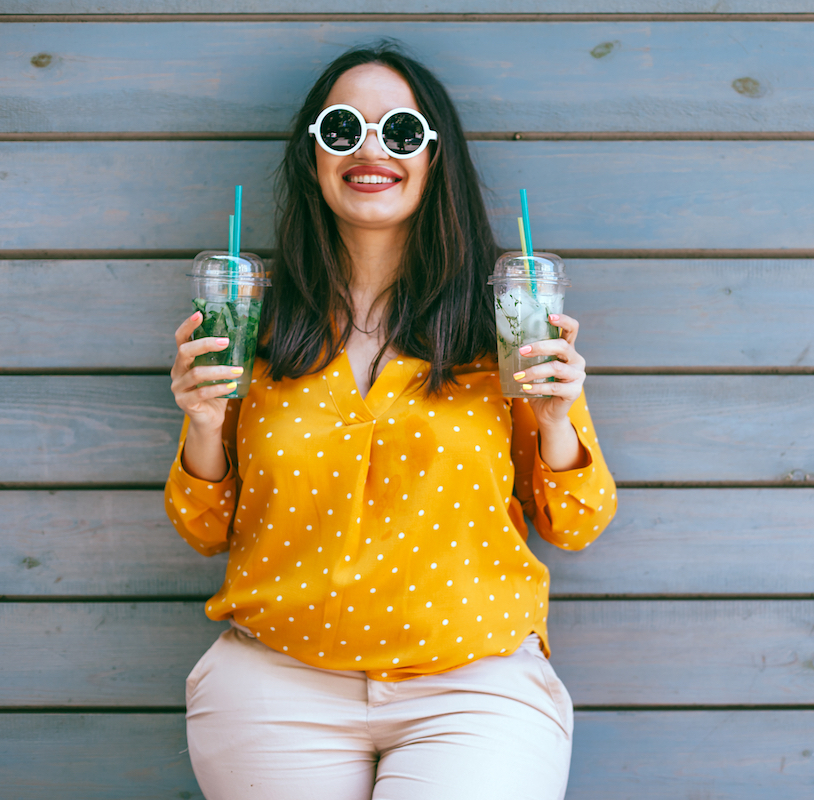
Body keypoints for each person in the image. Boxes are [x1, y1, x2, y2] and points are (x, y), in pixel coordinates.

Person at [163, 44, 617, 800]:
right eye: (343, 128)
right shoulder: (252, 327)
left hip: (474, 685)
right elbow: (207, 528)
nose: (370, 148)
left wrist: (558, 418)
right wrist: (204, 422)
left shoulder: (505, 321)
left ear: (435, 155)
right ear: (314, 153)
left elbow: (575, 521)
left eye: (400, 131)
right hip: (278, 678)